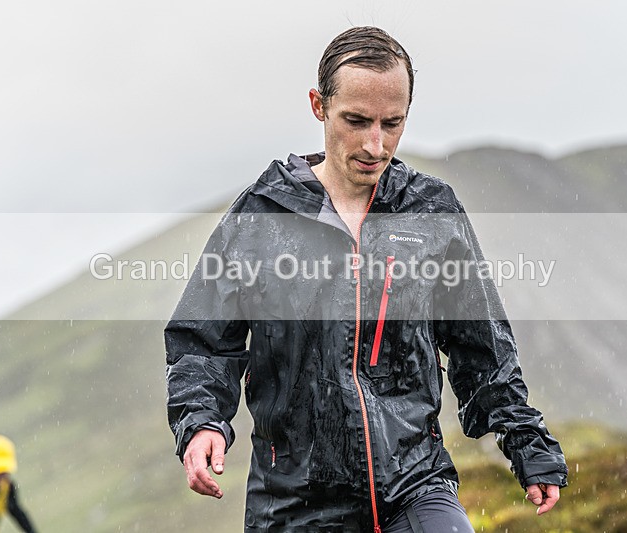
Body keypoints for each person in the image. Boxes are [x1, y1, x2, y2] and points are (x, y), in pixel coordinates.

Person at [166, 26, 567, 532]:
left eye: (392, 123)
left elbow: (481, 347)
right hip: (295, 504)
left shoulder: (432, 212)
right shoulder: (260, 218)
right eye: (356, 121)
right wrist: (201, 423)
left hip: (415, 488)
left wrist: (526, 443)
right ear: (318, 106)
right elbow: (202, 342)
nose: (376, 145)